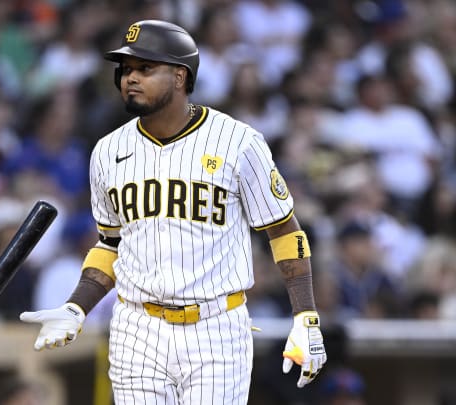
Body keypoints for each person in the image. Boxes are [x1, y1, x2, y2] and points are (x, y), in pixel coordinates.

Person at [20, 20, 327, 404]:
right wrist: (76, 306)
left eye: (145, 68)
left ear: (180, 76)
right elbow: (110, 245)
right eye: (126, 69)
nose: (130, 78)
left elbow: (285, 233)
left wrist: (305, 316)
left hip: (215, 325)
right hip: (138, 326)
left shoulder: (238, 141)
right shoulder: (107, 151)